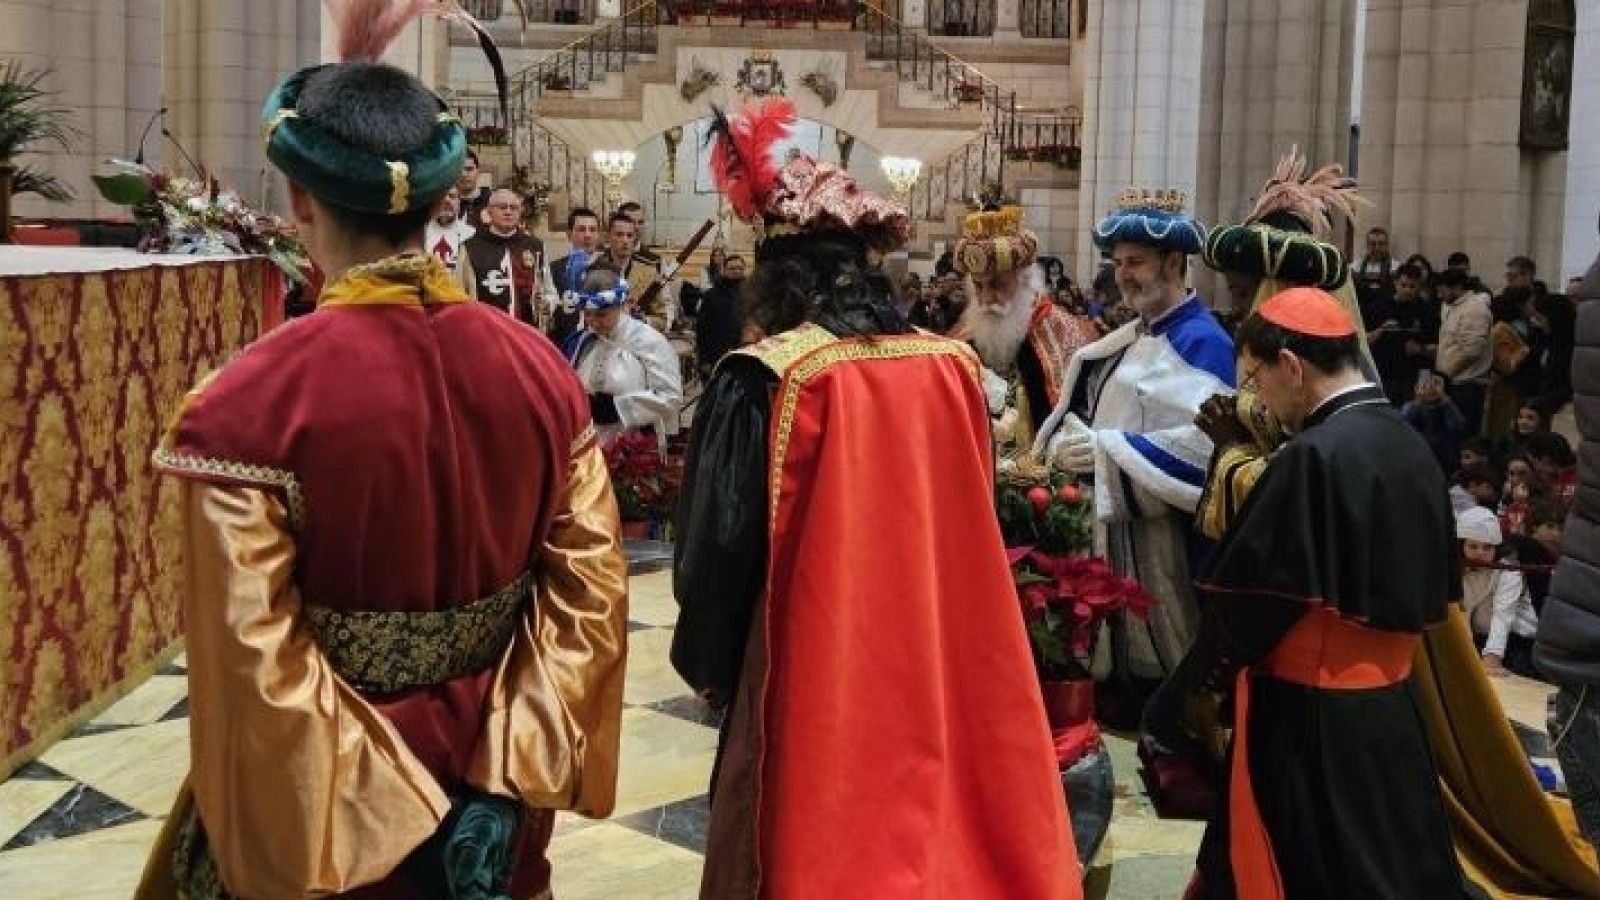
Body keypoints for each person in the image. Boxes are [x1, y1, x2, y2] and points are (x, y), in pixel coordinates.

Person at [133, 6, 628, 896]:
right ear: (446, 202)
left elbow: (252, 662)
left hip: (332, 796)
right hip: (493, 769)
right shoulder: (543, 375)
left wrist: (370, 812)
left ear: (298, 198)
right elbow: (589, 597)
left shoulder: (249, 405)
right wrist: (508, 774)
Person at [672, 98, 1079, 899]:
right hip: (940, 652)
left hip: (818, 664)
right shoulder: (949, 368)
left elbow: (714, 557)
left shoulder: (767, 376)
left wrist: (716, 671)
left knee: (826, 835)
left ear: (775, 277)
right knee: (937, 831)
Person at [1181, 287, 1479, 899]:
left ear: (1291, 365)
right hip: (1391, 709)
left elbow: (1252, 599)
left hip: (1309, 720)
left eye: (1256, 378)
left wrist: (1193, 689)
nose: (1257, 398)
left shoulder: (1313, 456)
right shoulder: (1408, 442)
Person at [1032, 187, 1234, 725]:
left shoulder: (1203, 341)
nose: (1123, 274)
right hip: (1115, 537)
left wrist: (1101, 450)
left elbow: (1204, 455)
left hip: (1165, 546)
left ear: (1174, 263)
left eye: (1136, 262)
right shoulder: (1131, 335)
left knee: (1162, 683)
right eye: (1118, 263)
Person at [949, 206, 1094, 452]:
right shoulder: (966, 333)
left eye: (997, 285)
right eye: (979, 286)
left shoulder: (1060, 330)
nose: (986, 298)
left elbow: (1076, 414)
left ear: (1027, 282)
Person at [564, 266, 684, 443]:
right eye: (588, 315)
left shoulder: (647, 341)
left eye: (601, 315)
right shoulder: (583, 341)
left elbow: (671, 397)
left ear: (621, 306)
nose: (594, 322)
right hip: (589, 443)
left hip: (632, 443)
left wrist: (617, 407)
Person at [461, 188, 550, 326]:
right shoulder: (471, 247)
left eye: (513, 208)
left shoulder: (535, 246)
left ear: (520, 212)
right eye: (502, 207)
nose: (508, 212)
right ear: (489, 211)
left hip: (526, 330)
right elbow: (460, 292)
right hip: (487, 329)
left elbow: (549, 290)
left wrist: (547, 303)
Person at [1369, 262, 1441, 405]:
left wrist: (1421, 349)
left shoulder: (1427, 312)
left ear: (1420, 286)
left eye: (1412, 286)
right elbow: (1363, 341)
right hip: (1384, 376)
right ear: (1395, 283)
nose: (1407, 290)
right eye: (1403, 285)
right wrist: (1381, 330)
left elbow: (1440, 348)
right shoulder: (1378, 307)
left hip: (1414, 379)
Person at [1435, 266, 1494, 436]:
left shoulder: (1474, 309)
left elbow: (1472, 352)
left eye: (1442, 291)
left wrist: (1445, 376)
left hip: (1466, 385)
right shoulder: (1454, 308)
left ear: (1456, 287)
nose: (1439, 296)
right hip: (1453, 383)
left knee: (1462, 435)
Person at [595, 210, 666, 328]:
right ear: (609, 237)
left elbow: (662, 319)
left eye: (629, 235)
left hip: (639, 339)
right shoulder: (596, 271)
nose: (625, 241)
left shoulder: (649, 273)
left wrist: (644, 320)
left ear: (635, 238)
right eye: (619, 234)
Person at [546, 206, 604, 345]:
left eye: (592, 230)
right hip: (563, 344)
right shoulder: (553, 270)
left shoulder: (608, 271)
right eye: (581, 229)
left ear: (598, 235)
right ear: (569, 234)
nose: (587, 235)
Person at [693, 252, 748, 377]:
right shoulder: (711, 296)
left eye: (740, 268)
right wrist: (704, 359)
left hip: (744, 355)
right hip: (716, 356)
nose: (736, 271)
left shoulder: (752, 294)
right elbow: (702, 328)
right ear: (724, 270)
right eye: (732, 268)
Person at [424, 186, 476, 276]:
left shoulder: (470, 234)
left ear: (459, 203)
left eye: (452, 196)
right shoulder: (420, 234)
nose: (447, 200)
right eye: (441, 197)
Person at [456, 147, 491, 226]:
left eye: (469, 169)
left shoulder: (491, 201)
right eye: (459, 170)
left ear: (478, 172)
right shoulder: (444, 203)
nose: (464, 174)